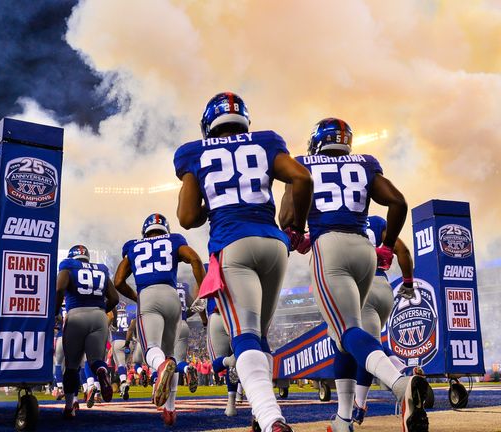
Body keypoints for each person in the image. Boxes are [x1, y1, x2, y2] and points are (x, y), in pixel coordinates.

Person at [279, 118, 429, 432]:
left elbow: (288, 216)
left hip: (330, 246)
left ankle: (399, 386)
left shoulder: (303, 164)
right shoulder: (365, 163)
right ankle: (344, 418)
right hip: (364, 251)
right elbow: (398, 202)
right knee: (344, 338)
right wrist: (387, 246)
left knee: (347, 331)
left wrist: (295, 235)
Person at [175, 92, 313, 432]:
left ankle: (270, 419)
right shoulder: (266, 141)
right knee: (260, 336)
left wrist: (211, 203)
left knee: (246, 336)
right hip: (274, 246)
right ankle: (257, 415)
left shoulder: (194, 152)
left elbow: (187, 217)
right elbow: (303, 178)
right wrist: (296, 227)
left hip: (233, 244)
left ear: (209, 124)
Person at [114, 213, 206, 426]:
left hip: (148, 294)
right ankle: (170, 410)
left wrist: (136, 296)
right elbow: (194, 258)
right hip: (172, 297)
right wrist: (202, 292)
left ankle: (161, 366)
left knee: (150, 352)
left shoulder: (133, 246)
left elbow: (118, 281)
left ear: (144, 231)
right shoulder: (174, 240)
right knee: (171, 354)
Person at [353, 215, 418, 424]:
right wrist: (408, 283)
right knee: (372, 346)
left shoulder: (339, 221)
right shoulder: (377, 222)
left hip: (360, 287)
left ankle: (360, 404)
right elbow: (403, 251)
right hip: (383, 288)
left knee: (367, 350)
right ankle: (402, 369)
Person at [56, 245, 119, 419]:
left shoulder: (68, 266)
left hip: (76, 315)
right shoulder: (101, 269)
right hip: (99, 316)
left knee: (72, 366)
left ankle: (70, 405)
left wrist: (55, 311)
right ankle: (102, 372)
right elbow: (115, 298)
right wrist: (100, 309)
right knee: (95, 360)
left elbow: (59, 288)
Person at [173, 282, 201, 393]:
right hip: (183, 323)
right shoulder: (183, 286)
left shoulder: (165, 282)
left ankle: (158, 384)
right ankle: (187, 369)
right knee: (179, 361)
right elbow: (195, 306)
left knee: (164, 359)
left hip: (169, 324)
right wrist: (184, 315)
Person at [110, 302, 136, 400]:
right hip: (129, 342)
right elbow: (132, 328)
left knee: (120, 364)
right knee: (124, 364)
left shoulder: (113, 314)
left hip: (117, 341)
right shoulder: (131, 313)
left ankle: (123, 382)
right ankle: (122, 386)